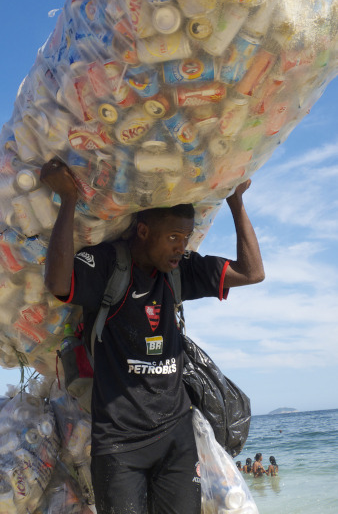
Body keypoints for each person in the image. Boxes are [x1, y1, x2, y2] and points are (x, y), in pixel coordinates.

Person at [41, 158, 265, 514]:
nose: (181, 246)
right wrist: (68, 199)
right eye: (173, 237)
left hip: (176, 439)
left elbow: (251, 272)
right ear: (143, 231)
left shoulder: (180, 272)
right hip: (118, 445)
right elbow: (57, 283)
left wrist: (235, 202)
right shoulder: (108, 267)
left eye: (186, 237)